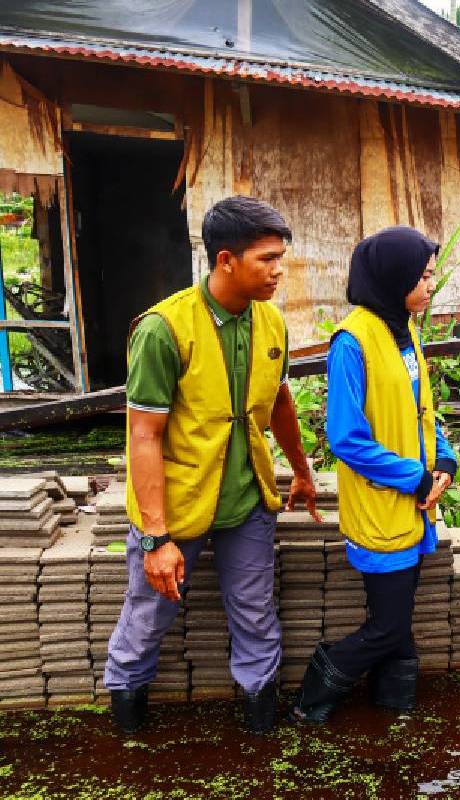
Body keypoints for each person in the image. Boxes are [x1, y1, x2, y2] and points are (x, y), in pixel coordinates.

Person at [106, 196, 320, 735]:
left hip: (246, 498)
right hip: (177, 503)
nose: (278, 271)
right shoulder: (164, 329)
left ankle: (259, 727)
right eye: (266, 259)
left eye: (281, 258)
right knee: (149, 615)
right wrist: (155, 538)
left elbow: (280, 403)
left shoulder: (270, 322)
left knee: (254, 613)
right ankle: (129, 730)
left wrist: (301, 468)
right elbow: (143, 435)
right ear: (226, 260)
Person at [290, 227, 457, 723]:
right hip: (383, 506)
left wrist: (444, 459)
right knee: (387, 627)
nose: (430, 286)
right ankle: (312, 698)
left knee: (397, 625)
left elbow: (420, 409)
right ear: (393, 276)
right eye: (423, 277)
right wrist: (416, 478)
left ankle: (393, 708)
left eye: (431, 276)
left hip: (412, 505)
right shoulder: (353, 341)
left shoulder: (404, 331)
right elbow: (346, 437)